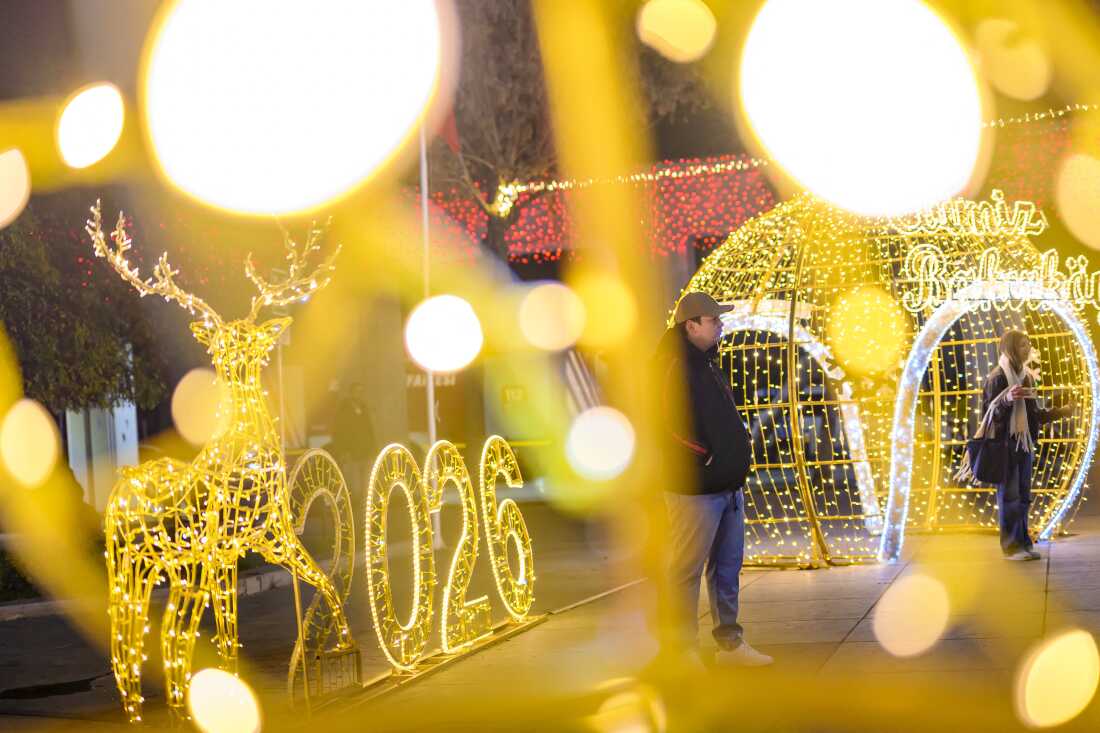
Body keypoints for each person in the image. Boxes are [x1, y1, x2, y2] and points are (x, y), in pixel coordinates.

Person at [654, 291, 772, 667]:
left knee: (726, 568)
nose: (721, 326)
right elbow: (665, 426)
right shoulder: (671, 366)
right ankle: (682, 650)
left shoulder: (705, 362)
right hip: (696, 489)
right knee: (685, 571)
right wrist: (706, 457)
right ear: (691, 325)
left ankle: (730, 645)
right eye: (714, 320)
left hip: (727, 485)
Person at [980, 330, 1074, 561]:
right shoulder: (997, 377)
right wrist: (1006, 400)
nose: (1028, 348)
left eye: (1028, 344)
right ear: (1010, 348)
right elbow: (989, 415)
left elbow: (1034, 415)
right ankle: (1011, 548)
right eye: (1023, 345)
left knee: (1023, 496)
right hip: (1005, 445)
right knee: (1009, 497)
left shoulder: (1026, 376)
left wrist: (1061, 412)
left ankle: (1023, 543)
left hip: (1025, 444)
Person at [330, 382, 376, 503]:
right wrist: (343, 451)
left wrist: (373, 448)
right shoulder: (344, 410)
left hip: (366, 451)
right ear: (351, 393)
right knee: (354, 486)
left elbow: (369, 429)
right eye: (357, 391)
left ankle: (364, 507)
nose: (359, 394)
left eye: (361, 391)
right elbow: (339, 432)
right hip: (352, 452)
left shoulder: (364, 407)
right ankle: (353, 506)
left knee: (367, 484)